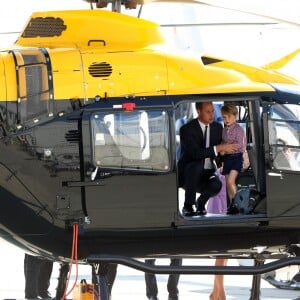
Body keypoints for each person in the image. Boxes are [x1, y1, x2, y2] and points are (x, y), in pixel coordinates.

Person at [178, 101, 239, 216]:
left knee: (217, 184)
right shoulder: (187, 129)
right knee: (197, 166)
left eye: (212, 111)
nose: (211, 115)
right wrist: (219, 147)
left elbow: (220, 151)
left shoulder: (217, 127)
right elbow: (195, 154)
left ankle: (200, 203)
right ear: (198, 111)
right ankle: (188, 206)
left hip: (207, 172)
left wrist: (226, 155)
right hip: (189, 174)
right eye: (207, 112)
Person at [220, 104, 246, 214]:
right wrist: (223, 148)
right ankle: (232, 205)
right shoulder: (224, 130)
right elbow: (222, 143)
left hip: (236, 158)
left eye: (229, 117)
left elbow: (241, 146)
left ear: (235, 116)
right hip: (227, 159)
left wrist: (228, 147)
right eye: (224, 117)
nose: (226, 120)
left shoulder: (239, 130)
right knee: (227, 184)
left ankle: (237, 204)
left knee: (231, 181)